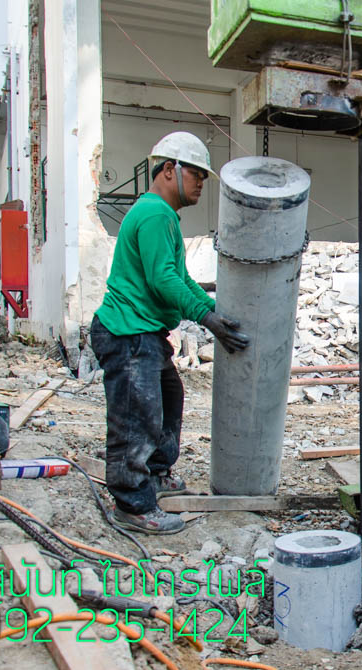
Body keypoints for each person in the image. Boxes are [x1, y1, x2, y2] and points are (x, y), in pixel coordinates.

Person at [90, 131, 250, 534]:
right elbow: (163, 280)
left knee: (168, 399)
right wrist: (206, 318)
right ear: (168, 170)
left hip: (143, 334)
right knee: (136, 419)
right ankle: (132, 504)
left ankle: (156, 474)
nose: (200, 183)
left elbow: (179, 277)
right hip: (128, 333)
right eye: (196, 174)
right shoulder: (155, 215)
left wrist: (215, 311)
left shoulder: (161, 217)